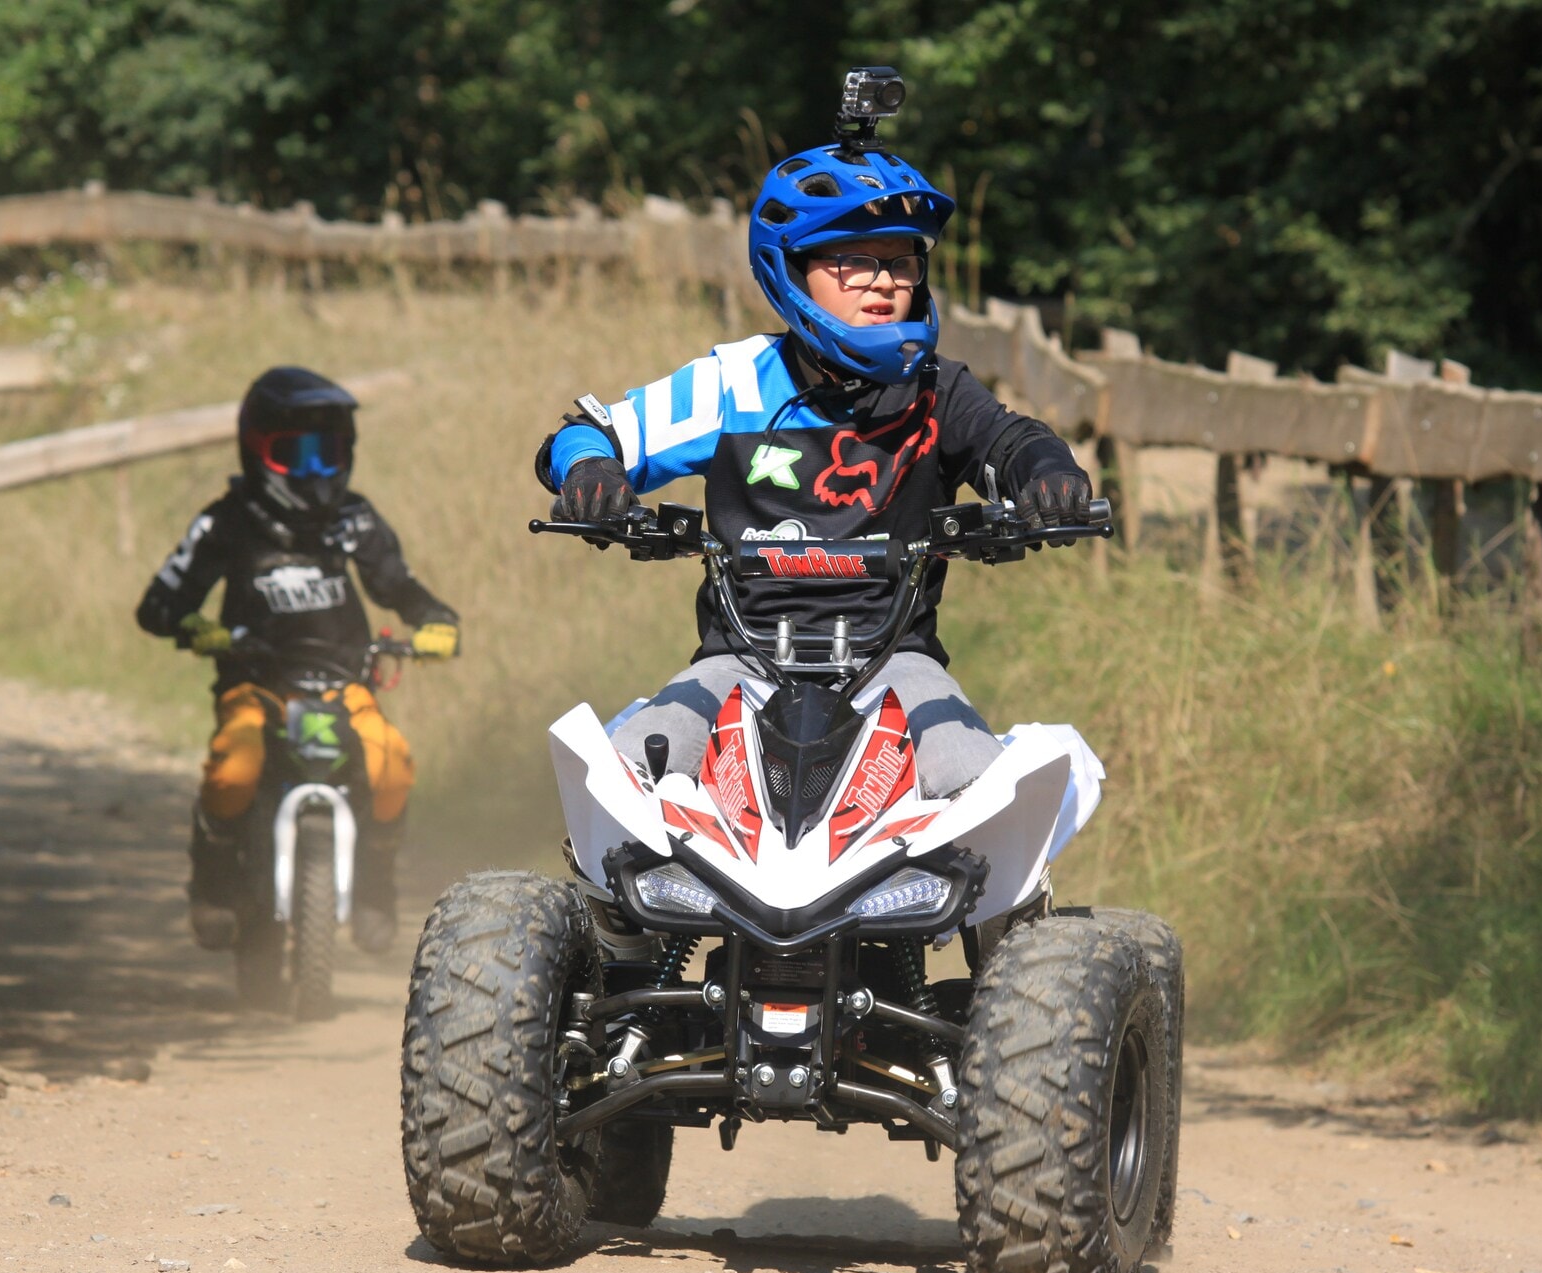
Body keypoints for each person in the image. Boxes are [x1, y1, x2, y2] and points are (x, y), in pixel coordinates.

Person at [536, 138, 1093, 798]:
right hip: (737, 663)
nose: (886, 281)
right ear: (793, 270)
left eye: (903, 260)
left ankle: (1014, 910)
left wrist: (1050, 475)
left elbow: (1012, 441)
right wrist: (592, 473)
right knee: (622, 781)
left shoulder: (937, 391)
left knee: (982, 788)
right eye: (855, 261)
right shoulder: (734, 384)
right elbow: (586, 435)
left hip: (896, 664)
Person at [138, 367, 459, 954]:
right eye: (297, 455)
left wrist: (437, 622)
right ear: (258, 452)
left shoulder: (354, 519)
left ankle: (374, 888)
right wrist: (197, 628)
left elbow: (399, 585)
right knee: (235, 766)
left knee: (390, 764)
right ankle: (211, 884)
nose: (316, 472)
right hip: (256, 686)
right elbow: (158, 605)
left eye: (329, 454)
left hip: (345, 686)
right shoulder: (227, 521)